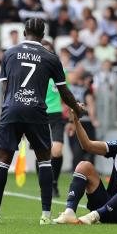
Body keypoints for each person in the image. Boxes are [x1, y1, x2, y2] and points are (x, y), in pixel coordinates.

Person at [0, 18, 84, 225]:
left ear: (24, 32)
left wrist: (11, 111)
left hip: (11, 110)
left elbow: (5, 90)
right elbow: (64, 91)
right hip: (37, 112)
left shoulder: (9, 53)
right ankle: (45, 215)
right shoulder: (50, 57)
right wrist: (77, 108)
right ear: (43, 35)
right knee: (44, 161)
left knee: (2, 161)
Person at [42, 40, 72, 197]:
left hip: (56, 115)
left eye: (49, 52)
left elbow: (67, 96)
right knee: (43, 152)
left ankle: (54, 183)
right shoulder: (34, 74)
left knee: (57, 150)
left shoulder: (60, 73)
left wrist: (72, 120)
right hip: (38, 115)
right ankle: (45, 185)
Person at [68, 70, 100, 169]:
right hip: (86, 121)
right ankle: (89, 169)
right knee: (91, 146)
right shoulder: (86, 91)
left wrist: (69, 121)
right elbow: (91, 105)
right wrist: (93, 119)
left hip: (73, 121)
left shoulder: (70, 89)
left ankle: (76, 169)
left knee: (75, 147)